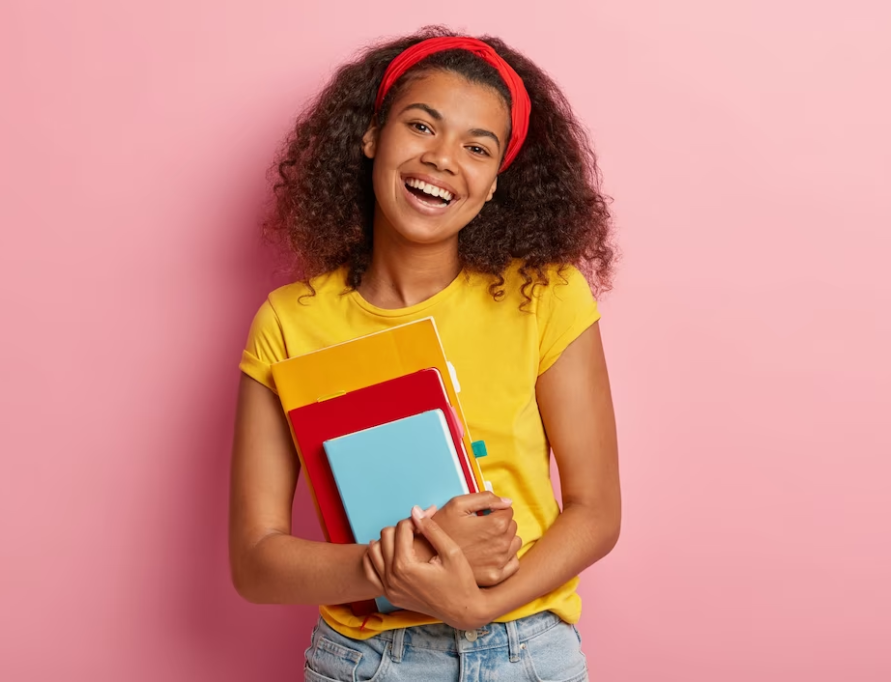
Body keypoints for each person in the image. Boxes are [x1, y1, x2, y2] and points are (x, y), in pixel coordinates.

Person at [230, 25, 621, 682]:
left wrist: (480, 603)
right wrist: (403, 562)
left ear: (496, 181)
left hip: (526, 653)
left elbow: (596, 511)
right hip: (365, 660)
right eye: (421, 126)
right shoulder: (289, 323)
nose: (443, 158)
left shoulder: (545, 296)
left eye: (477, 147)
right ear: (371, 137)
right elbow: (255, 561)